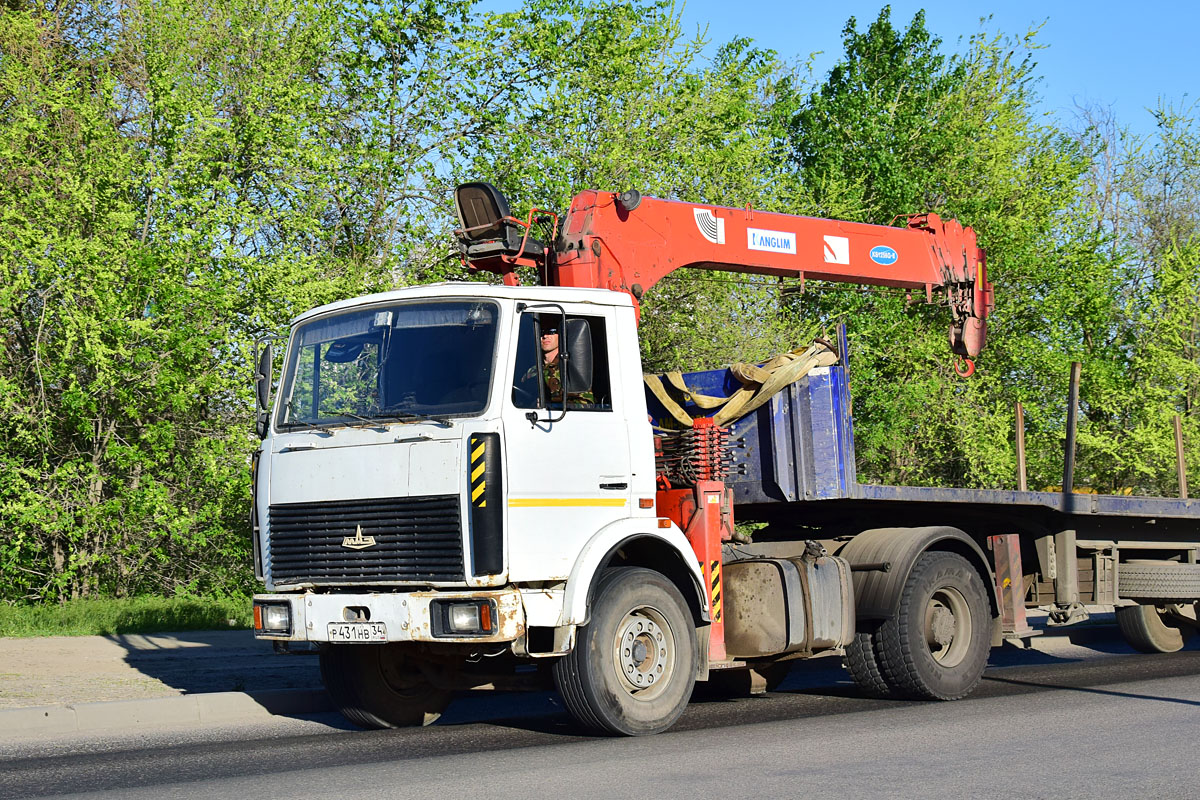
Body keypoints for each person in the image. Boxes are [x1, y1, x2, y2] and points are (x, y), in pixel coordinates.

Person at [523, 320, 593, 406]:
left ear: (560, 335)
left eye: (551, 332)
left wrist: (551, 406)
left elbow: (586, 405)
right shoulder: (532, 370)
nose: (545, 336)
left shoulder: (570, 368)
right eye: (541, 332)